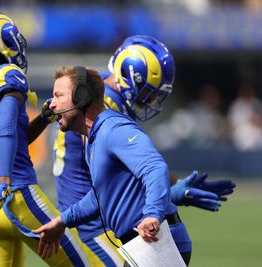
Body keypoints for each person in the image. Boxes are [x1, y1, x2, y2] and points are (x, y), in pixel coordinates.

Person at [29, 36, 235, 266]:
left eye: (58, 96)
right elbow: (103, 191)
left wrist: (157, 208)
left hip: (146, 238)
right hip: (109, 229)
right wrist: (63, 221)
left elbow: (151, 166)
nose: (148, 102)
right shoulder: (103, 120)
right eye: (147, 93)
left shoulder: (107, 124)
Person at [0, 10, 100, 267]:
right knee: (87, 264)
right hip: (16, 196)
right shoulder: (5, 75)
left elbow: (9, 140)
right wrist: (5, 180)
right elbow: (4, 126)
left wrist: (43, 118)